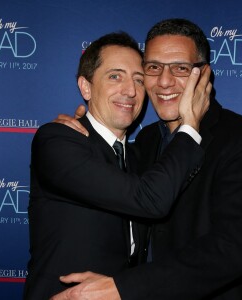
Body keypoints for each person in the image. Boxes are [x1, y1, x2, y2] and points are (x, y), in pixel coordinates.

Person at [51, 19, 242, 300]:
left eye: (180, 68)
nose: (164, 81)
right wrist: (80, 129)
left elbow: (230, 251)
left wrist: (122, 287)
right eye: (153, 68)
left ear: (204, 75)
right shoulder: (145, 141)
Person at [24, 30, 210, 300]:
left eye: (138, 79)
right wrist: (190, 125)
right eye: (115, 76)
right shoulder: (57, 140)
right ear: (85, 87)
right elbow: (150, 200)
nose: (131, 91)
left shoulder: (140, 155)